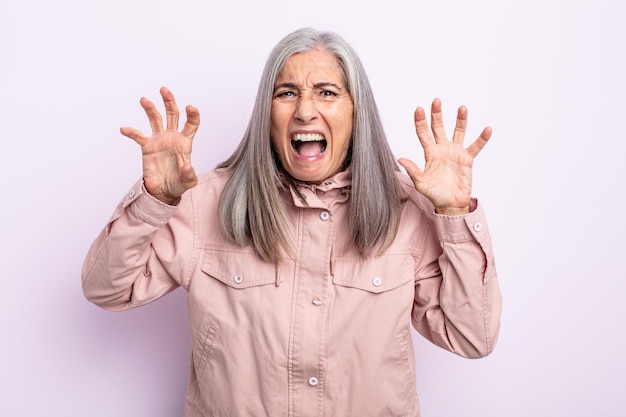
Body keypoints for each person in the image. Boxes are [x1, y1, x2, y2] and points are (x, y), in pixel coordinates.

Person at [82, 27, 502, 417]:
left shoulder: (405, 209)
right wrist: (155, 201)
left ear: (357, 113)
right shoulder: (203, 203)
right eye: (287, 93)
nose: (305, 111)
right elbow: (107, 290)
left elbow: (472, 337)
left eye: (327, 92)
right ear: (268, 113)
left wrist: (453, 217)